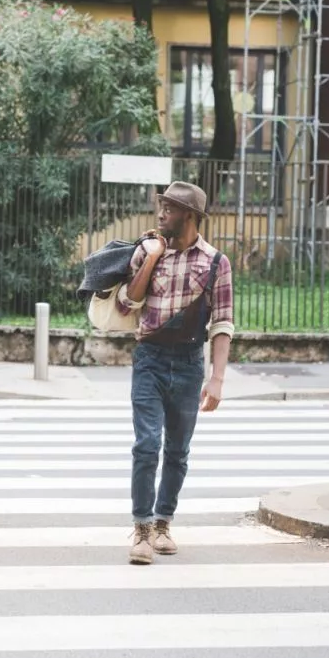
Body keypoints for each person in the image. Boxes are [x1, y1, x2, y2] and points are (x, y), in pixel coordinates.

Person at [115, 181, 234, 565]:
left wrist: (216, 378)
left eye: (169, 207)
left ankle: (164, 522)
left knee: (178, 452)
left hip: (188, 363)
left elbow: (223, 324)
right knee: (146, 445)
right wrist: (150, 258)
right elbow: (125, 304)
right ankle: (143, 529)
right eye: (161, 205)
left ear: (190, 215)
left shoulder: (217, 262)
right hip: (149, 357)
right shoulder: (148, 251)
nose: (161, 212)